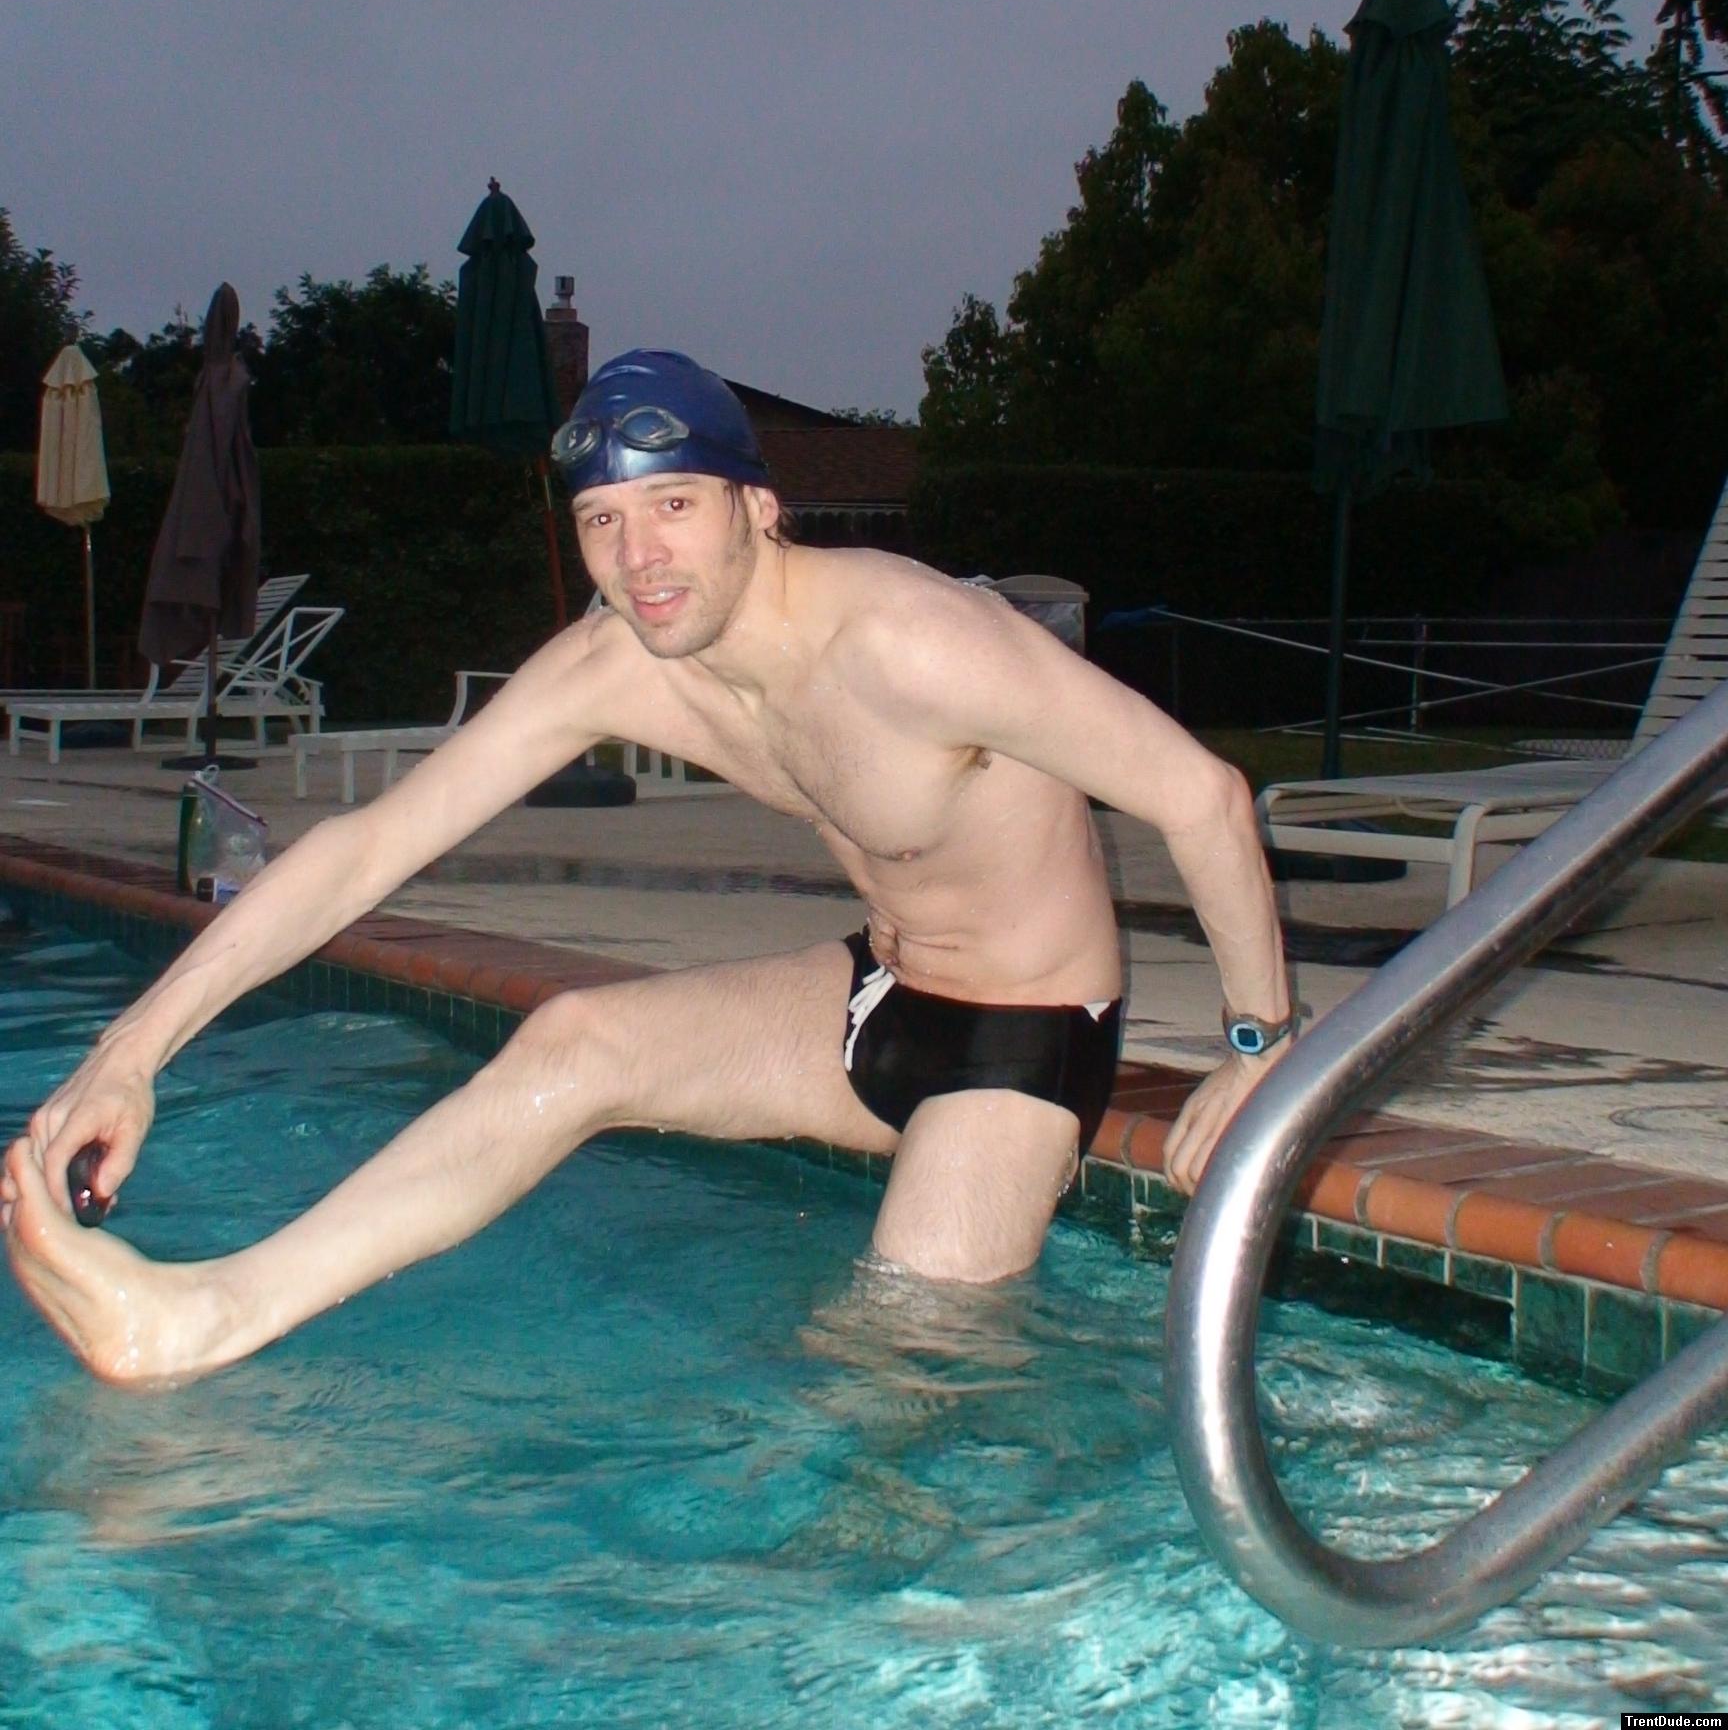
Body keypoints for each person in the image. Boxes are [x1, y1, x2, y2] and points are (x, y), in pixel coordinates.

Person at [3, 350, 1293, 1388]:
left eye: (675, 508)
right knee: (571, 1044)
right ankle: (203, 1319)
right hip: (876, 993)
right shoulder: (620, 660)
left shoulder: (916, 643)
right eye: (605, 522)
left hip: (1024, 1037)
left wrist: (1255, 1046)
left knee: (890, 1367)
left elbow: (1204, 795)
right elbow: (366, 848)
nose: (642, 558)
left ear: (758, 507)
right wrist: (131, 1049)